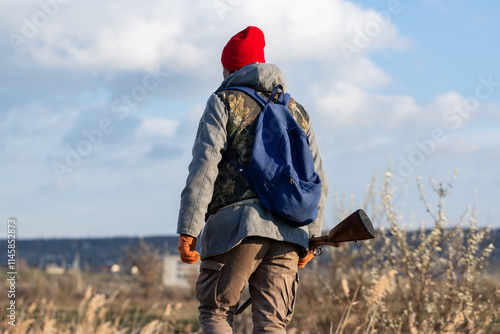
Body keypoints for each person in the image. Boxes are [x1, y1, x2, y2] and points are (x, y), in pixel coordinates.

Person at [176, 26, 329, 333]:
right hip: (290, 233)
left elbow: (204, 167)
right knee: (273, 324)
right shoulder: (296, 110)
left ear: (228, 68)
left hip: (236, 228)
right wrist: (313, 239)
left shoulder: (223, 101)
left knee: (216, 312)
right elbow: (316, 178)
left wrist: (188, 229)